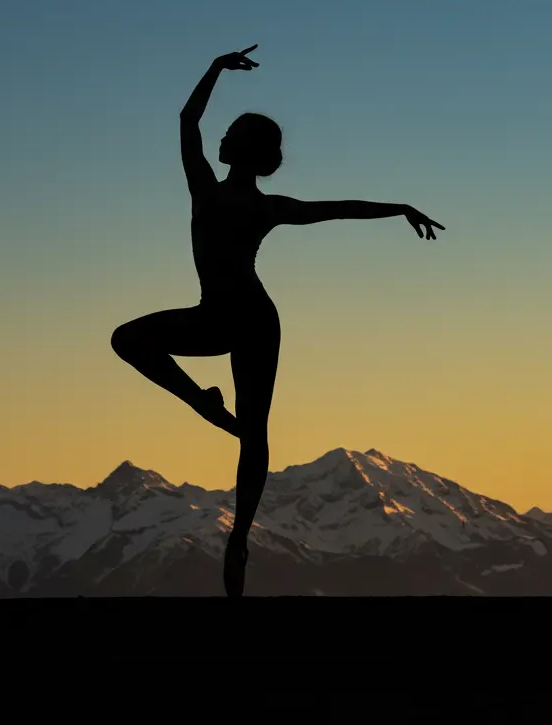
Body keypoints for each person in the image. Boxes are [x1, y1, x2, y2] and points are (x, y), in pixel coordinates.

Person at [110, 46, 445, 597]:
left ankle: (227, 493)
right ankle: (234, 514)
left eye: (230, 133)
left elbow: (188, 121)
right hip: (245, 317)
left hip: (233, 318)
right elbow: (337, 208)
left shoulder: (210, 190)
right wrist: (400, 207)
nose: (218, 139)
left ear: (239, 149)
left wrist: (216, 70)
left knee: (140, 347)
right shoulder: (261, 204)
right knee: (247, 427)